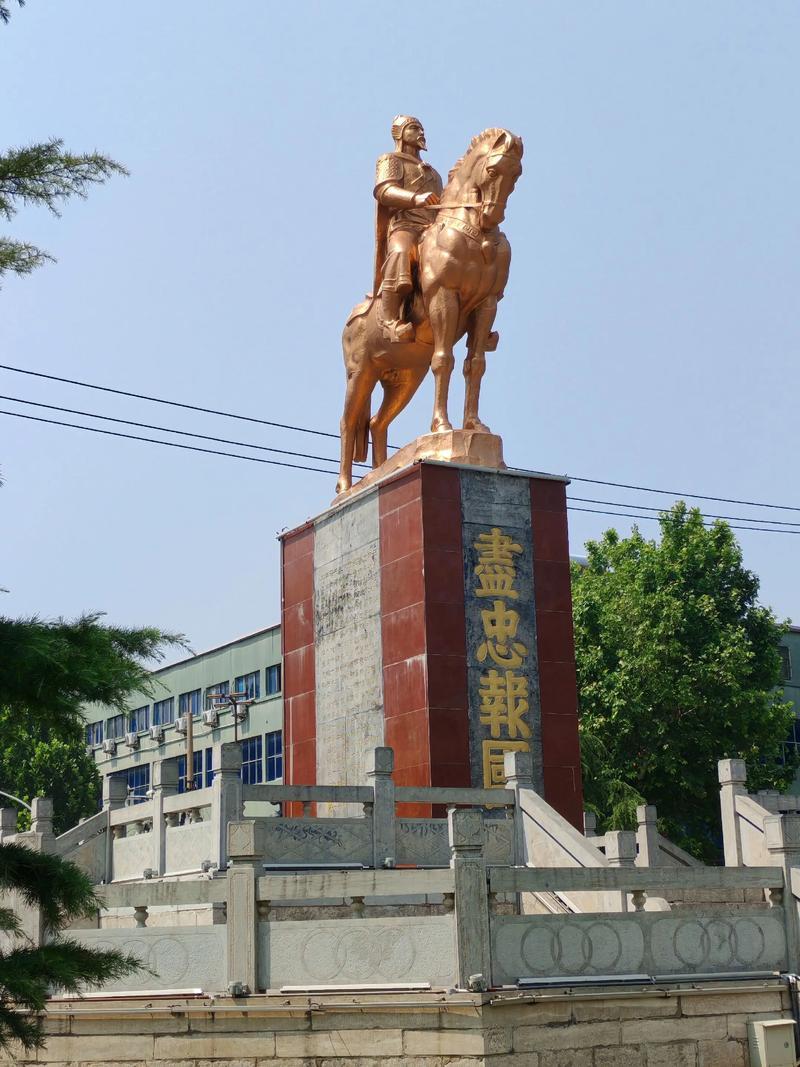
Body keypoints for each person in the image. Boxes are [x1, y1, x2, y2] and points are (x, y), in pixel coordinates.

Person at [373, 115, 443, 343]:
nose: (421, 133)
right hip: (406, 225)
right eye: (414, 128)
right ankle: (389, 320)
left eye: (422, 129)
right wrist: (416, 199)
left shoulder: (434, 173)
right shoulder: (390, 160)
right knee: (401, 252)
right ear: (400, 134)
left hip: (432, 229)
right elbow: (384, 191)